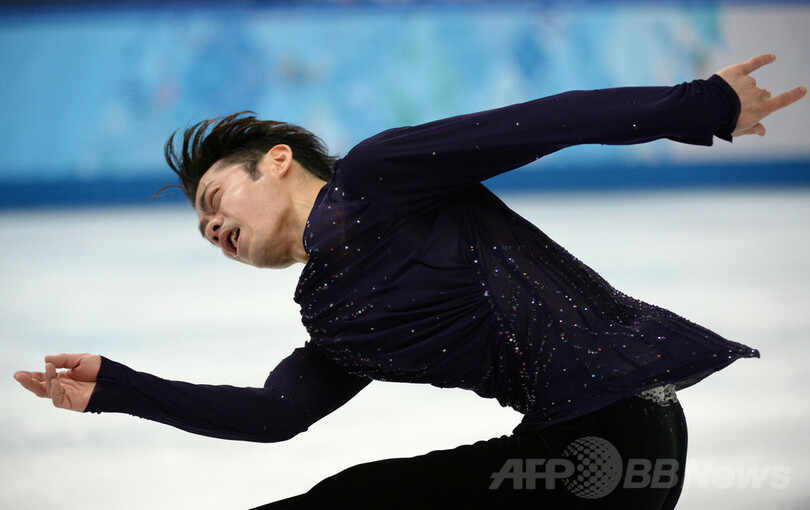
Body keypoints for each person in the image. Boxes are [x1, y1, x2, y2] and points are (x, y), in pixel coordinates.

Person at [14, 54, 806, 509]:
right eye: (203, 232)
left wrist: (694, 106)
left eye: (216, 200)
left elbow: (541, 122)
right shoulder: (333, 318)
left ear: (279, 162)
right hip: (579, 458)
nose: (213, 228)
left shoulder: (379, 177)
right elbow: (274, 414)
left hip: (618, 432)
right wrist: (117, 388)